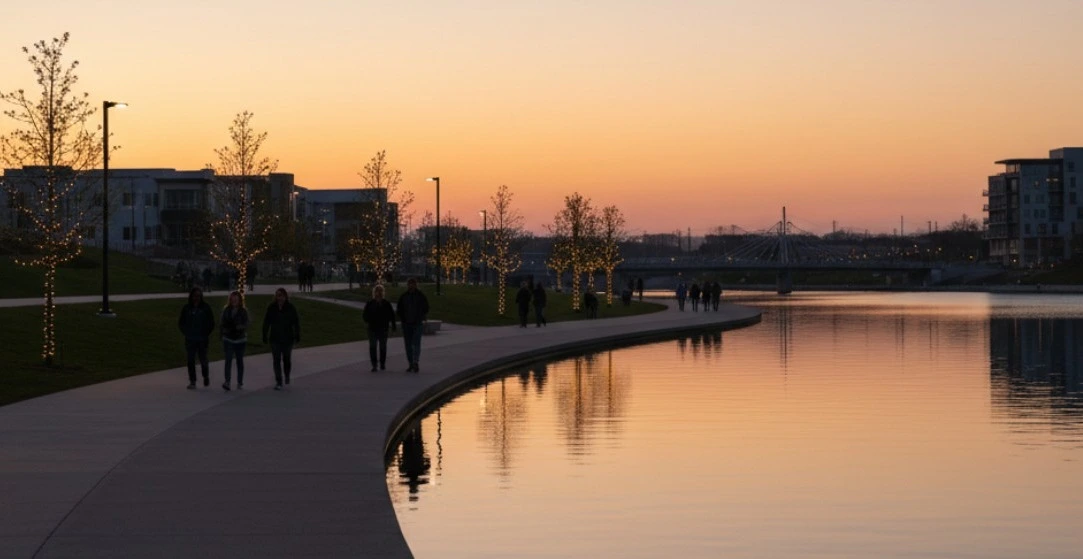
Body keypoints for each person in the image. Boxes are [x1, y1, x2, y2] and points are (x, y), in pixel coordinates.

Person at [262, 288, 301, 390]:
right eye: (278, 295)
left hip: (288, 338)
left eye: (281, 296)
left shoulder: (290, 308)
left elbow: (296, 322)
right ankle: (278, 381)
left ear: (285, 297)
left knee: (286, 359)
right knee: (276, 360)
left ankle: (287, 374)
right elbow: (266, 322)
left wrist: (297, 334)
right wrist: (264, 334)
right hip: (275, 338)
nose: (279, 298)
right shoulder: (272, 307)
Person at [178, 287, 215, 389]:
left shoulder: (206, 308)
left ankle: (205, 375)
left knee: (203, 360)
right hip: (190, 339)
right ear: (191, 296)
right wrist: (186, 332)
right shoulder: (187, 308)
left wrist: (206, 333)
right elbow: (181, 322)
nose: (196, 298)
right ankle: (192, 381)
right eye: (195, 296)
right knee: (190, 360)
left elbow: (211, 323)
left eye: (198, 296)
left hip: (202, 339)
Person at [397, 278, 430, 373]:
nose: (411, 286)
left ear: (415, 285)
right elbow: (399, 309)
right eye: (409, 284)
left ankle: (415, 361)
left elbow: (426, 307)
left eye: (413, 284)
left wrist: (421, 316)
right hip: (406, 323)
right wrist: (403, 318)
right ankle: (410, 363)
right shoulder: (404, 296)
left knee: (416, 343)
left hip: (417, 323)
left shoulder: (420, 296)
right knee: (408, 345)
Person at [363, 284, 397, 372]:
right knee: (373, 347)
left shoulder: (386, 303)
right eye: (377, 291)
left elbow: (392, 316)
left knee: (383, 347)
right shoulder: (370, 303)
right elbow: (365, 315)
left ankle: (382, 363)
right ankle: (374, 365)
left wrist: (393, 327)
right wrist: (368, 320)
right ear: (374, 292)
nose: (378, 293)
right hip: (372, 329)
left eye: (380, 291)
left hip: (383, 328)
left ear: (383, 292)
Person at [220, 290, 249, 391]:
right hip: (228, 339)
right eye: (232, 299)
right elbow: (222, 323)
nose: (234, 301)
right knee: (228, 360)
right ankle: (227, 381)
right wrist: (225, 330)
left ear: (239, 300)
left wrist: (239, 327)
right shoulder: (226, 310)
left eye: (236, 300)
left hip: (240, 340)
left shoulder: (243, 311)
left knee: (239, 360)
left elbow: (246, 323)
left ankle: (240, 381)